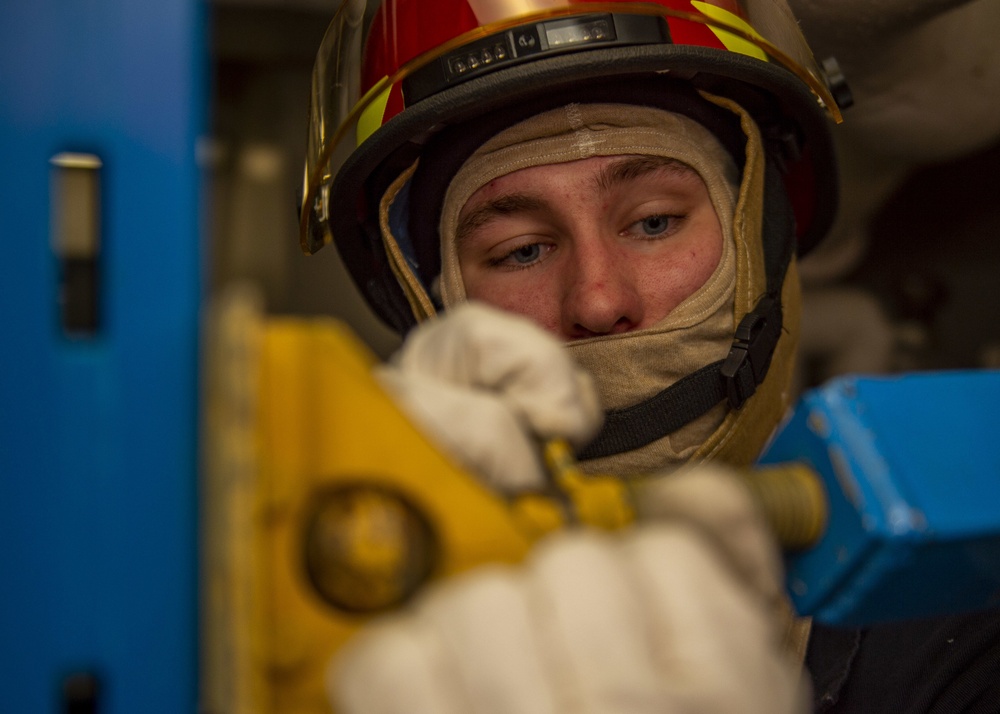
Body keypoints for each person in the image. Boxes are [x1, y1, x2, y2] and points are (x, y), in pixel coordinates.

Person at [296, 1, 1000, 712]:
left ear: (764, 241)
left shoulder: (962, 623)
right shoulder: (339, 619)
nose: (598, 302)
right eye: (521, 252)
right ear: (430, 306)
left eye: (655, 221)